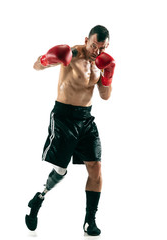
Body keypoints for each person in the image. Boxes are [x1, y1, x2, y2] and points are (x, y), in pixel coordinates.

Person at [25, 25, 115, 236]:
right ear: (86, 40)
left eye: (102, 48)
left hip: (86, 119)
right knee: (61, 170)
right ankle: (39, 197)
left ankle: (89, 221)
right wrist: (47, 59)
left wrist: (108, 75)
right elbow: (36, 66)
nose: (97, 52)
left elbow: (105, 96)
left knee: (96, 168)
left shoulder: (102, 62)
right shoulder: (72, 54)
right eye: (94, 46)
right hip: (64, 117)